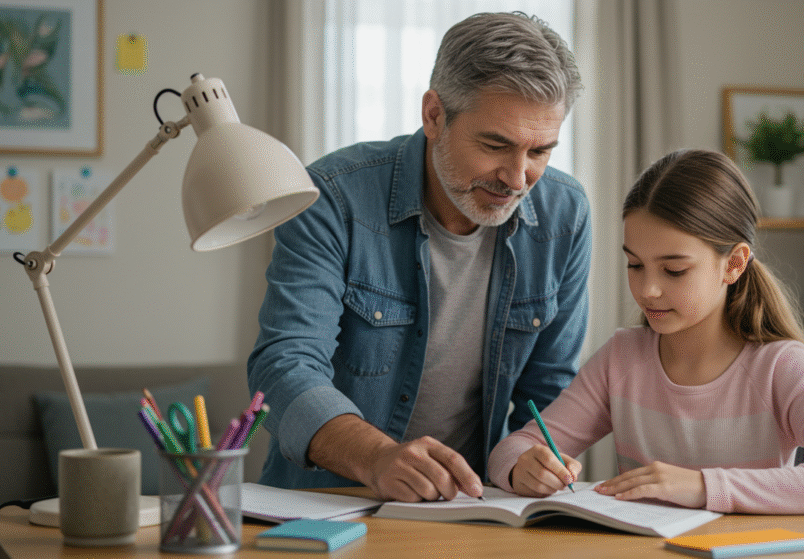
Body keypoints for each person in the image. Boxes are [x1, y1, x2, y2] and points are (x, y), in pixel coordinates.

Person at [247, 12, 590, 503]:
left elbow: (549, 392)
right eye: (496, 145)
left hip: (473, 510)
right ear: (433, 115)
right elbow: (284, 365)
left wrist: (529, 461)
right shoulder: (331, 197)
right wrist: (377, 457)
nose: (517, 179)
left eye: (540, 151)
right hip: (328, 501)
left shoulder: (566, 214)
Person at [488, 149, 804, 516]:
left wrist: (704, 486)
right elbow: (512, 449)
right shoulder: (622, 358)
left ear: (733, 264)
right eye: (635, 265)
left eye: (674, 270)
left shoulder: (780, 366)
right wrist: (525, 468)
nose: (648, 289)